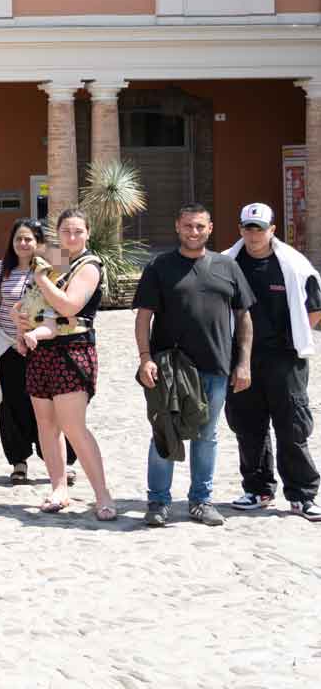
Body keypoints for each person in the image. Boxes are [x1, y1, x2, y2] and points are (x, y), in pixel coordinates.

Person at [134, 203, 256, 528]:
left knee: (207, 434)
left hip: (216, 368)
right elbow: (143, 316)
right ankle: (158, 502)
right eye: (188, 226)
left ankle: (201, 501)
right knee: (165, 432)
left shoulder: (227, 266)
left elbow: (243, 316)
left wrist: (242, 363)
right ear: (177, 226)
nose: (193, 232)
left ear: (210, 228)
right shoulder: (159, 267)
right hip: (169, 369)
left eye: (200, 226)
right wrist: (145, 358)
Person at [221, 203, 321, 522]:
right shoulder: (227, 263)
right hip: (242, 359)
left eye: (259, 228)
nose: (253, 234)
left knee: (292, 426)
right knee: (248, 426)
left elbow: (314, 310)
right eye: (248, 228)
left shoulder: (294, 265)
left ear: (272, 230)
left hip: (285, 360)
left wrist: (293, 340)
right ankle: (258, 489)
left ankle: (303, 496)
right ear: (240, 230)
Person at [13, 209, 115, 521]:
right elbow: (30, 301)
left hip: (73, 350)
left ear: (87, 233)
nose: (71, 237)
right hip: (41, 350)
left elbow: (69, 305)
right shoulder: (56, 257)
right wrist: (21, 325)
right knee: (46, 423)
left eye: (77, 232)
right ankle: (58, 488)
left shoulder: (89, 265)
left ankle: (103, 495)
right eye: (66, 231)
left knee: (73, 426)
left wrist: (42, 278)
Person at [0, 219, 76, 486]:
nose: (23, 244)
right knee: (12, 405)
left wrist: (46, 253)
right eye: (18, 239)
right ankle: (18, 461)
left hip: (44, 346)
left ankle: (63, 462)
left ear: (39, 241)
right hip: (8, 346)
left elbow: (68, 275)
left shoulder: (54, 264)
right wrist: (11, 334)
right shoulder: (0, 269)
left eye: (29, 239)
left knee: (53, 406)